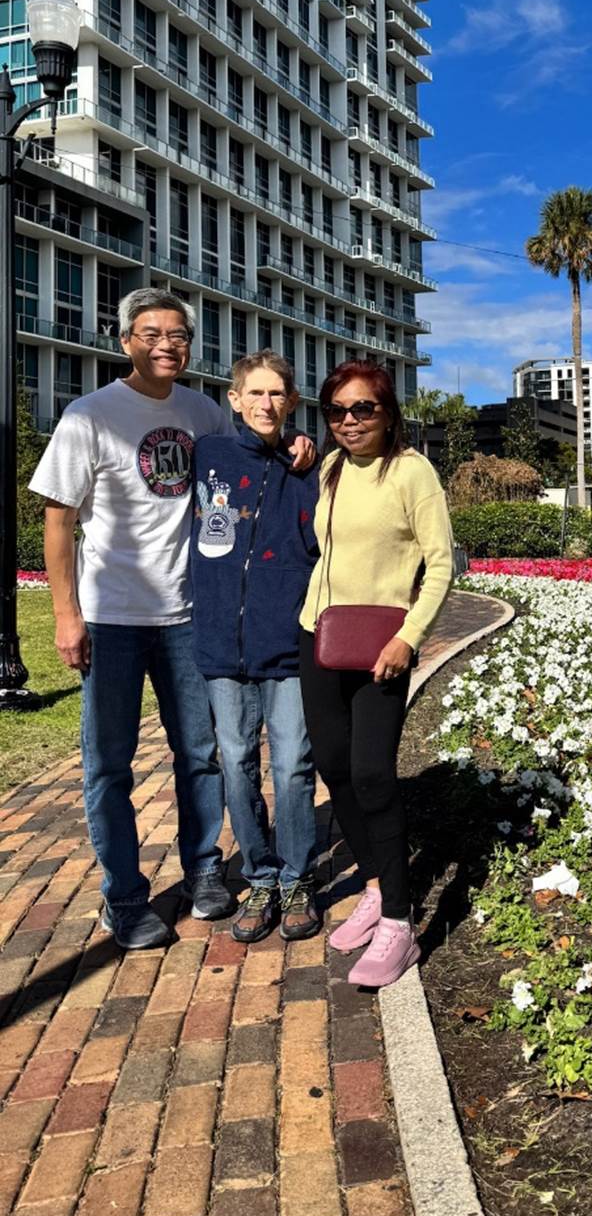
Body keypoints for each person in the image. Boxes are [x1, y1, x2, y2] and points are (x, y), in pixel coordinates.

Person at [30, 288, 313, 951]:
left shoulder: (203, 411)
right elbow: (58, 518)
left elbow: (255, 445)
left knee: (200, 757)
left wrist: (300, 443)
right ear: (125, 338)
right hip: (111, 617)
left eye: (178, 334)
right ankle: (123, 898)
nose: (166, 343)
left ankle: (205, 872)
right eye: (152, 332)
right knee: (109, 765)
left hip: (189, 616)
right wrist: (66, 614)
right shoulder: (88, 414)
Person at [299, 361, 454, 987]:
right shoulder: (332, 468)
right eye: (337, 410)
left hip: (383, 647)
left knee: (371, 774)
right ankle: (372, 881)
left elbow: (441, 566)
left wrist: (407, 637)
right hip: (320, 633)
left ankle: (398, 922)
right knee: (333, 766)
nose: (349, 421)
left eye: (362, 409)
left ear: (387, 412)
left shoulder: (413, 472)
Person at [190, 351, 321, 943]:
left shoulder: (308, 468)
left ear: (290, 404)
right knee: (237, 764)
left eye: (278, 395)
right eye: (256, 394)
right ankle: (260, 875)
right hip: (220, 641)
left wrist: (303, 442)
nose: (266, 404)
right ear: (234, 400)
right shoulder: (208, 456)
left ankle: (297, 877)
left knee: (293, 763)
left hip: (288, 642)